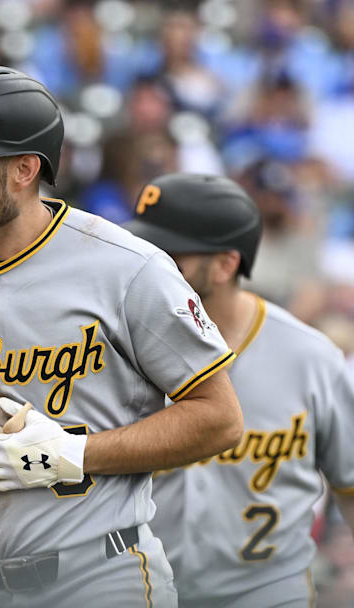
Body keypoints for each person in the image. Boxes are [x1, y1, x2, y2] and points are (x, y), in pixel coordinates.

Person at [0, 65, 243, 607]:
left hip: (101, 574)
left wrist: (74, 454)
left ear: (24, 169)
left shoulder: (126, 267)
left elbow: (220, 418)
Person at [124, 173, 354, 607]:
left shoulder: (309, 357)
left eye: (170, 256)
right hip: (141, 592)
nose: (149, 267)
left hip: (267, 594)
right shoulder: (118, 347)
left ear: (227, 264)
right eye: (145, 251)